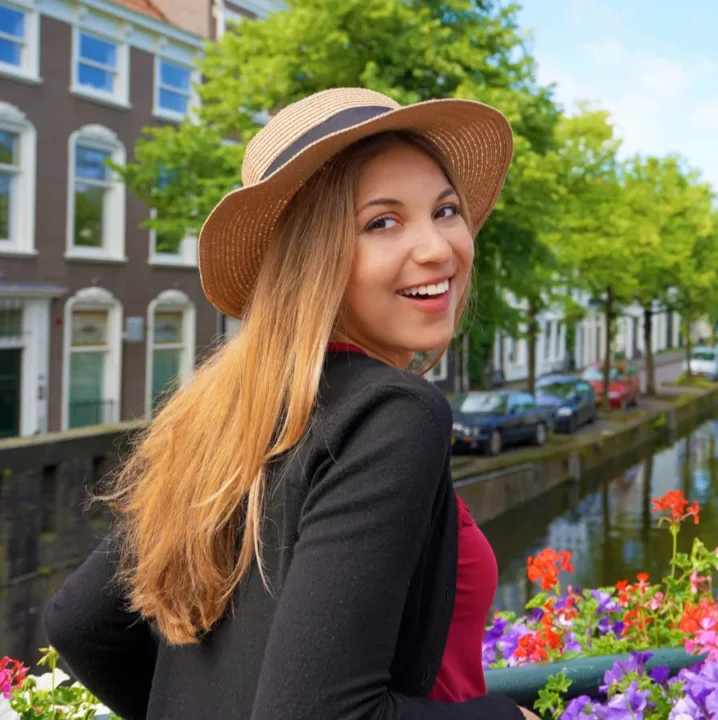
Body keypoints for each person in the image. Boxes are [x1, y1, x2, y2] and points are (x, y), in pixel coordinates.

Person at [43, 88, 539, 720]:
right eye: (382, 222)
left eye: (445, 210)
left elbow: (83, 623)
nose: (439, 248)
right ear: (313, 257)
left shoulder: (228, 411)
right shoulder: (393, 414)